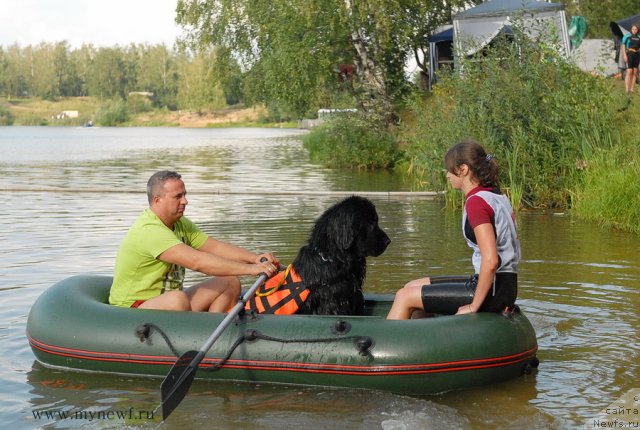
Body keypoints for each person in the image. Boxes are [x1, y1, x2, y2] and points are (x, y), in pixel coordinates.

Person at [108, 170, 279, 312]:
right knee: (177, 300)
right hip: (132, 309)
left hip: (169, 303)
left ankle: (213, 335)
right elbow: (198, 262)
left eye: (185, 195)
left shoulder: (179, 223)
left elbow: (214, 246)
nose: (185, 201)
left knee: (230, 281)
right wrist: (251, 269)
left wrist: (254, 259)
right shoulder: (150, 231)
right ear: (157, 200)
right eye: (178, 196)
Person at [387, 140, 520, 320]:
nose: (447, 175)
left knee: (404, 296)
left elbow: (491, 261)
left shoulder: (477, 203)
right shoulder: (497, 196)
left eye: (449, 170)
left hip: (493, 291)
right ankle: (425, 339)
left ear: (463, 169)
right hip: (506, 286)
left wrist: (474, 306)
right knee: (411, 286)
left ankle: (392, 344)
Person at [622, 24, 640, 95]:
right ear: (631, 29)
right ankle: (627, 90)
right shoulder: (627, 36)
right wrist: (624, 55)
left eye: (636, 29)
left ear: (638, 30)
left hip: (637, 55)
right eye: (633, 29)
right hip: (629, 53)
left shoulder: (639, 37)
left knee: (635, 72)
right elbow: (623, 45)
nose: (634, 30)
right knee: (629, 71)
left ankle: (632, 89)